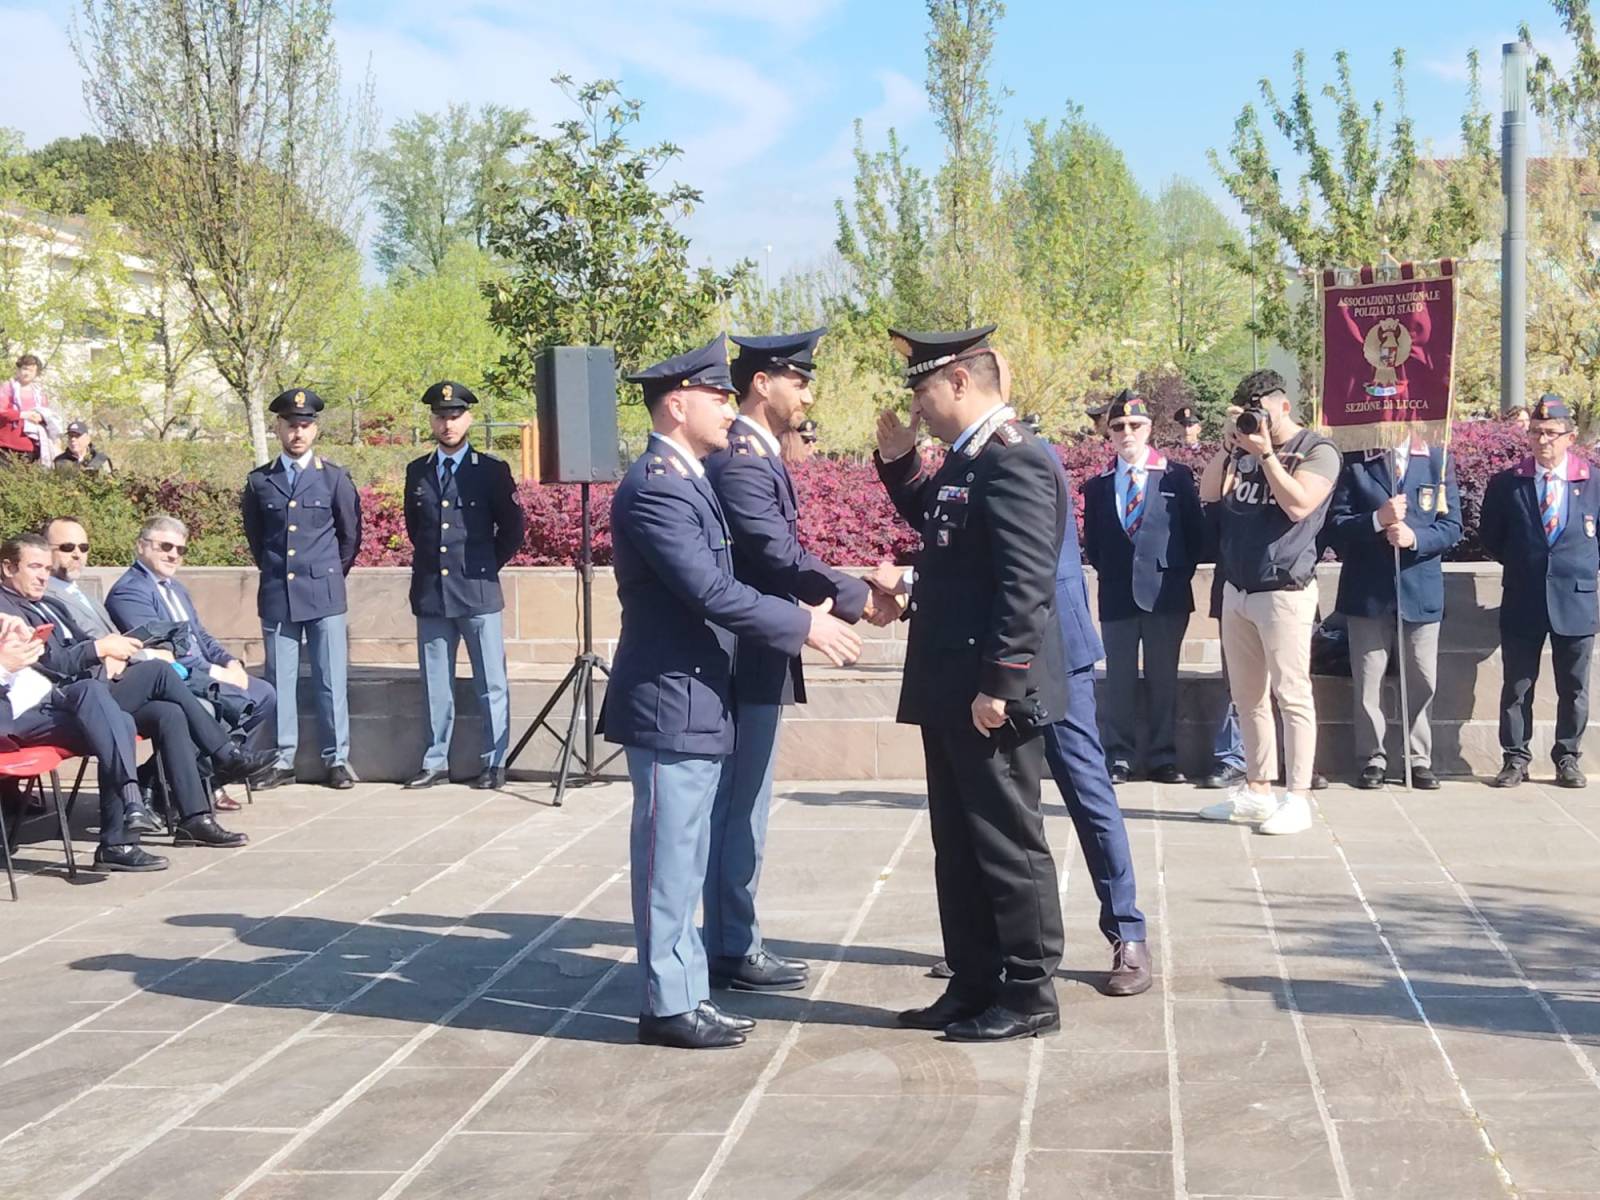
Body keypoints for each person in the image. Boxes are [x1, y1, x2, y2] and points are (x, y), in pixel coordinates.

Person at [604, 333, 861, 1050]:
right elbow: (712, 590)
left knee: (686, 855)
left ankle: (687, 993)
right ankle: (668, 1003)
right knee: (668, 858)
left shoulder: (687, 478)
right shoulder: (657, 487)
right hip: (670, 695)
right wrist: (805, 623)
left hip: (695, 692)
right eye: (716, 397)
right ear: (676, 404)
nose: (728, 407)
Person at [872, 325, 1067, 1041]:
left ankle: (1030, 991)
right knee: (958, 844)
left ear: (959, 381)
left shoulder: (1016, 458)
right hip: (953, 684)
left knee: (1006, 843)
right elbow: (945, 530)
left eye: (923, 392)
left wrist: (1000, 683)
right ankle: (975, 979)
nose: (917, 409)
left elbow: (1025, 584)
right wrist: (901, 464)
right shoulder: (970, 458)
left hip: (990, 692)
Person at [702, 329, 890, 995]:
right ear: (762, 383)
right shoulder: (743, 461)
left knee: (742, 804)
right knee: (740, 806)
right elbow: (776, 556)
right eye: (799, 381)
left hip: (757, 647)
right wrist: (857, 595)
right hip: (746, 655)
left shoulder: (753, 454)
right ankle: (732, 945)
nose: (807, 395)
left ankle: (731, 938)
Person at [1, 533, 262, 848]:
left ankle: (194, 818)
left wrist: (110, 653)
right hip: (60, 703)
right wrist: (99, 649)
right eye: (34, 567)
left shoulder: (50, 603)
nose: (43, 576)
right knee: (156, 672)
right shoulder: (7, 610)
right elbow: (51, 664)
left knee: (168, 713)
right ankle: (223, 753)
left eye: (46, 568)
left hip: (93, 688)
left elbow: (84, 642)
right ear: (8, 568)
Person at [1196, 369, 1340, 835]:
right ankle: (1257, 790)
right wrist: (1228, 448)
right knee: (1247, 697)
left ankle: (1297, 797)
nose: (1257, 420)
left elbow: (1299, 505)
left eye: (1263, 410)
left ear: (1284, 405)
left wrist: (1268, 456)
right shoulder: (1241, 449)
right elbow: (1209, 495)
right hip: (1237, 587)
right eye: (1248, 412)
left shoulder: (1317, 450)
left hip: (1284, 589)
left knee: (1292, 696)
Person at [401, 382, 524, 790]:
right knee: (436, 685)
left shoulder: (490, 471)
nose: (447, 424)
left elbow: (512, 530)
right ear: (431, 421)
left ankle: (494, 762)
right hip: (432, 593)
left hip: (478, 592)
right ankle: (435, 761)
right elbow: (416, 529)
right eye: (441, 416)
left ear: (468, 419)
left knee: (491, 683)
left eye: (455, 416)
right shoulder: (417, 471)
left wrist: (484, 567)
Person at [242, 388, 363, 790]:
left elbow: (350, 536)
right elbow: (258, 539)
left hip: (325, 594)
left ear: (316, 429)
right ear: (278, 428)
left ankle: (337, 759)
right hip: (279, 593)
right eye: (291, 425)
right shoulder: (260, 481)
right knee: (280, 681)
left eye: (305, 425)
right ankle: (282, 760)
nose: (298, 433)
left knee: (331, 680)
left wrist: (328, 575)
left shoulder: (334, 478)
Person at [1081, 390, 1204, 784]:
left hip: (1166, 594)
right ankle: (1119, 755)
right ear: (1109, 432)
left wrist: (1173, 574)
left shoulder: (1175, 477)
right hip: (1117, 593)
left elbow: (1195, 536)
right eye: (1118, 426)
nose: (1126, 433)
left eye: (1135, 425)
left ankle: (1164, 756)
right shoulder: (1098, 486)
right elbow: (1094, 545)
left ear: (1149, 428)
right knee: (1118, 680)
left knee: (1163, 679)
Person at [1326, 437, 1462, 789]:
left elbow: (1452, 526)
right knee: (1368, 682)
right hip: (1367, 592)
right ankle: (1372, 757)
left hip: (1419, 590)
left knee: (1422, 679)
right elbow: (1336, 524)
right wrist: (1377, 520)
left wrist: (1415, 539)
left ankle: (1418, 758)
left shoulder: (1436, 459)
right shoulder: (1357, 460)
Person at [1480, 393, 1600, 788]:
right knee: (1517, 686)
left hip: (1576, 599)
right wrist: (1526, 564)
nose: (1542, 440)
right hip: (1524, 597)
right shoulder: (1507, 483)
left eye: (1550, 432)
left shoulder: (1593, 482)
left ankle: (1567, 757)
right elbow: (1491, 537)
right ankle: (1515, 758)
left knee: (1574, 687)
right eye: (1535, 432)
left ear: (1570, 437)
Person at [0, 609, 164, 872]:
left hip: (51, 699)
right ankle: (120, 833)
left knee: (97, 696)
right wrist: (4, 666)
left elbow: (56, 661)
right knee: (119, 724)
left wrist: (20, 637)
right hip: (17, 720)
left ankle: (128, 813)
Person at [105, 516, 278, 753]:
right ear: (141, 546)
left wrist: (231, 663)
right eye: (166, 546)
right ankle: (210, 766)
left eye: (180, 549)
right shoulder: (129, 592)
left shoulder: (176, 588)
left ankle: (225, 767)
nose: (173, 555)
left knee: (264, 694)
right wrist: (218, 673)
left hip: (201, 672)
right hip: (176, 679)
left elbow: (201, 636)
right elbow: (164, 649)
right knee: (228, 704)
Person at [0, 354, 64, 465]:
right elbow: (2, 411)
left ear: (36, 373)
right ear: (18, 370)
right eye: (25, 369)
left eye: (31, 370)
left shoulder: (40, 393)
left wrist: (41, 417)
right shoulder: (7, 388)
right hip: (7, 445)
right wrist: (24, 415)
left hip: (31, 446)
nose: (27, 373)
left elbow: (46, 416)